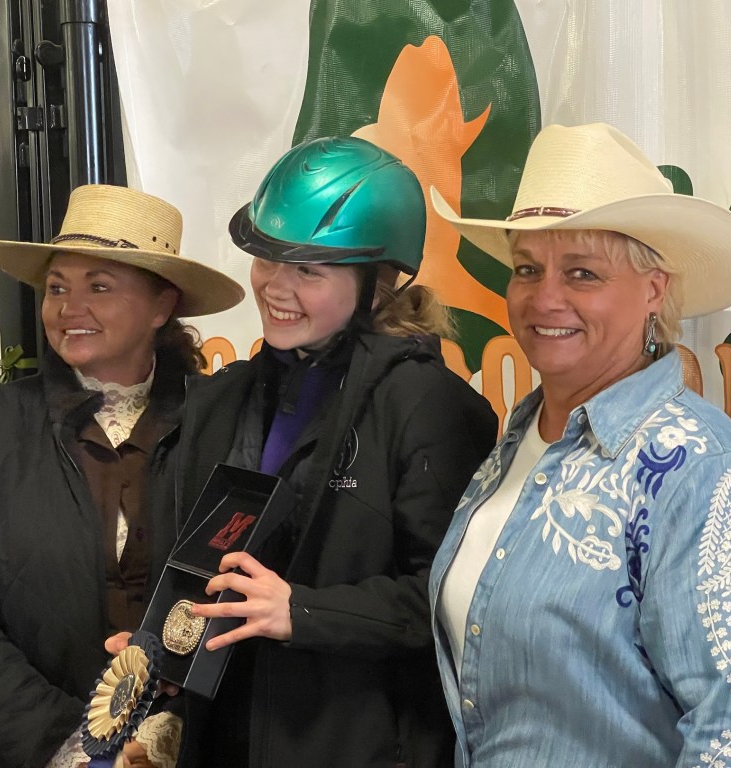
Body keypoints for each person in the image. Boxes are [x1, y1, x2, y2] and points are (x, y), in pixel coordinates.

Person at [112, 135, 499, 768]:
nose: (274, 286)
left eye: (308, 271)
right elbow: (203, 567)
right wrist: (166, 647)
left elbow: (452, 599)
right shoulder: (225, 398)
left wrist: (303, 611)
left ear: (378, 284)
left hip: (358, 742)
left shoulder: (431, 406)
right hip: (230, 737)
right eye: (267, 258)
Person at [428, 122, 731, 767]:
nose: (545, 298)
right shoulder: (522, 438)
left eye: (583, 273)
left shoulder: (700, 472)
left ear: (654, 290)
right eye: (527, 269)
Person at [0, 184, 244, 768]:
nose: (68, 308)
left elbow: (245, 590)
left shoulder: (222, 426)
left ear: (161, 307)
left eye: (98, 287)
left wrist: (173, 731)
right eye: (57, 287)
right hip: (20, 754)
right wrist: (64, 742)